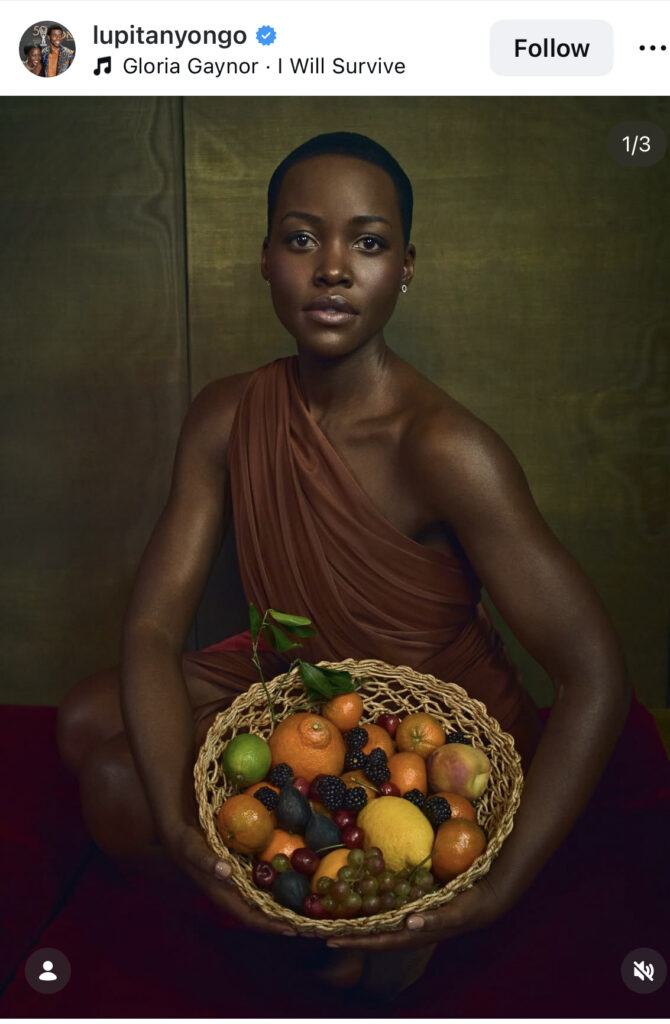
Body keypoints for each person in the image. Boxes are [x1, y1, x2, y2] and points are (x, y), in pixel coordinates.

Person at [57, 132, 638, 994]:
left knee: (119, 778)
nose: (333, 268)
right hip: (307, 688)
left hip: (430, 734)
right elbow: (149, 626)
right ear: (264, 258)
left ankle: (337, 938)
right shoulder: (228, 416)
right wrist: (183, 835)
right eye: (301, 239)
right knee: (83, 727)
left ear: (405, 265)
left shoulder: (446, 449)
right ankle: (258, 904)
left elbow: (594, 672)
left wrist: (504, 886)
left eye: (367, 243)